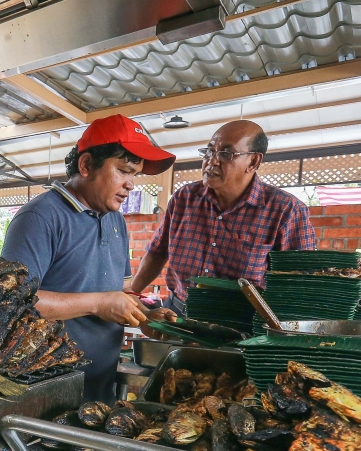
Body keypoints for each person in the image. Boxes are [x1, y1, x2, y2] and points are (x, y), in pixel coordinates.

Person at [1, 114, 178, 404]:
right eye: (123, 171)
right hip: (46, 387)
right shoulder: (40, 217)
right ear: (86, 165)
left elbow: (118, 291)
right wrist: (99, 303)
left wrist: (146, 318)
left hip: (100, 381)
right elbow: (10, 303)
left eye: (135, 175)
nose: (131, 184)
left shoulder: (115, 221)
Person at [130, 120, 317, 313]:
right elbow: (157, 253)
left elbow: (299, 284)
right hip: (178, 315)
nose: (212, 161)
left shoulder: (286, 211)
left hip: (241, 328)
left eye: (226, 154)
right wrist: (130, 294)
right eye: (209, 151)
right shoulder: (184, 198)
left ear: (253, 161)